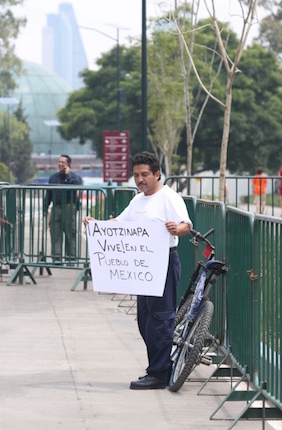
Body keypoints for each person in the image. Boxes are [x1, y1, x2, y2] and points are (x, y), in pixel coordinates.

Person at [84, 151, 192, 390]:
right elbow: (120, 224)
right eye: (136, 175)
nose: (140, 180)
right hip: (143, 268)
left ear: (157, 174)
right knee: (144, 319)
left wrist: (176, 228)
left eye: (145, 175)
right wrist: (96, 226)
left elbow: (185, 225)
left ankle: (159, 373)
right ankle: (158, 366)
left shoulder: (169, 198)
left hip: (164, 263)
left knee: (161, 318)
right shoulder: (137, 200)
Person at [43, 154, 83, 262]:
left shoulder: (74, 177)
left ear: (68, 164)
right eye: (59, 162)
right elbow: (49, 194)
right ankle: (57, 257)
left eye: (63, 162)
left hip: (69, 207)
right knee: (55, 232)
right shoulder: (53, 177)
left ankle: (71, 257)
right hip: (56, 207)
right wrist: (45, 208)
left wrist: (68, 175)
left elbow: (77, 188)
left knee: (70, 233)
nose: (60, 164)